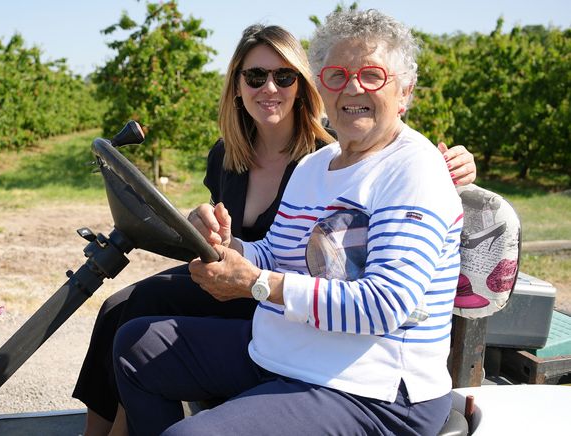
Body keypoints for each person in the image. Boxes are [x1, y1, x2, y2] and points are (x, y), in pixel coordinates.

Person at [74, 22, 476, 436]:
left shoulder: (412, 170)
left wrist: (257, 283)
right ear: (323, 86)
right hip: (292, 350)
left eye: (371, 75)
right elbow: (275, 252)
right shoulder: (314, 167)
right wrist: (228, 246)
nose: (352, 89)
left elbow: (384, 304)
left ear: (404, 92)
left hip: (373, 388)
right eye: (337, 75)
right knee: (136, 345)